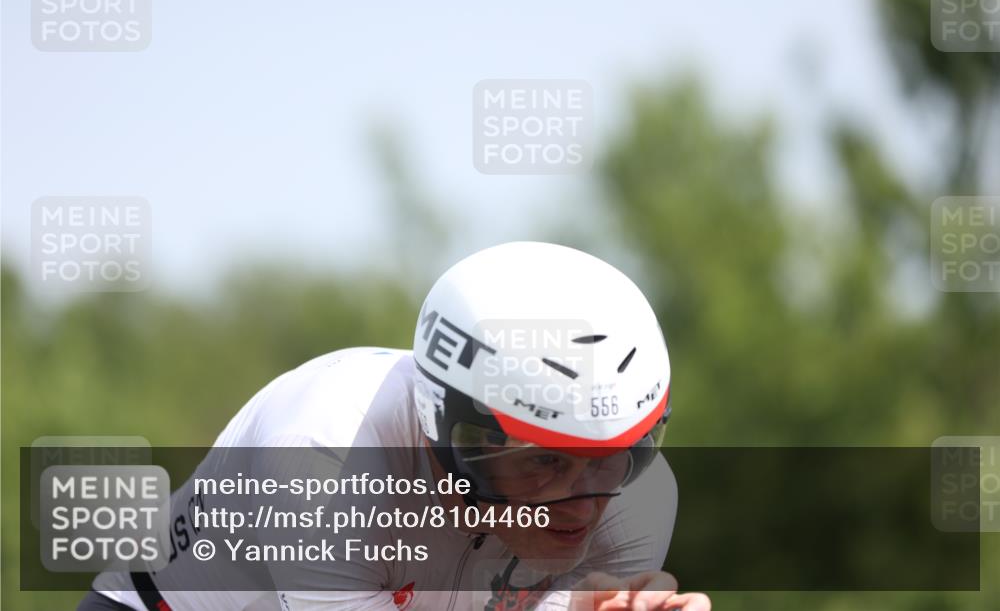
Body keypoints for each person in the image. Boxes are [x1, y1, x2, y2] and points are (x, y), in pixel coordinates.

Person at [79, 242, 711, 611]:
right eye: (544, 461)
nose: (584, 504)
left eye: (617, 457)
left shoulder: (641, 498)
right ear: (450, 433)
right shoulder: (323, 456)